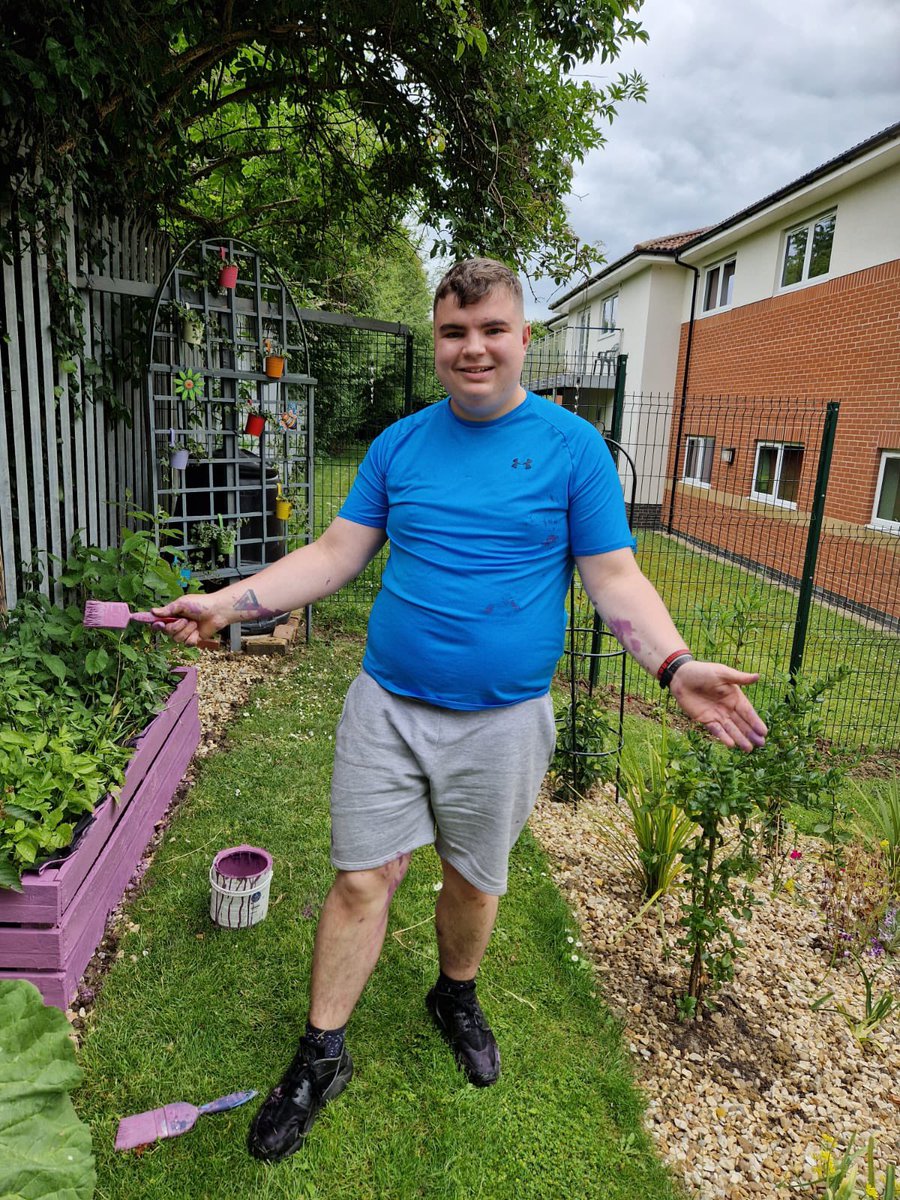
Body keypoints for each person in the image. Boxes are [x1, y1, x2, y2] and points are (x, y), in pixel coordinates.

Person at [154, 257, 767, 1163]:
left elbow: (614, 577)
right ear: (437, 340)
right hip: (388, 709)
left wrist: (673, 664)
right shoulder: (400, 446)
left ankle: (455, 993)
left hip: (505, 721)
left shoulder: (573, 450)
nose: (472, 348)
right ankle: (322, 1054)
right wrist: (227, 602)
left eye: (491, 330)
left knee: (474, 881)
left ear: (523, 338)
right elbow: (333, 554)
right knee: (362, 879)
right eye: (453, 332)